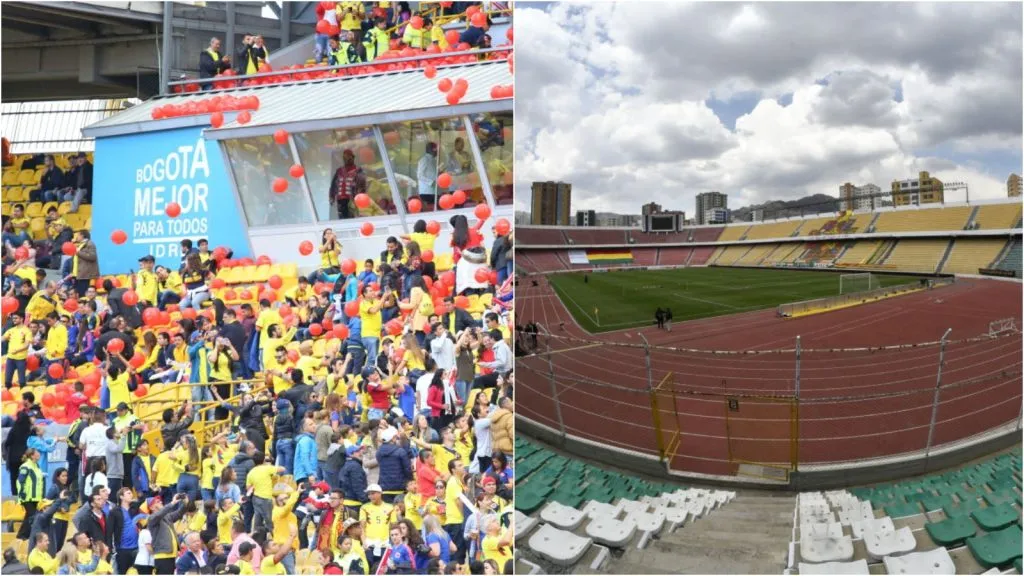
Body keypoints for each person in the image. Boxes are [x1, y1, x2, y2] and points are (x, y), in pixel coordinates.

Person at [329, 148, 367, 220]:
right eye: (345, 157)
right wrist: (332, 197)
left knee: (352, 217)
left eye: (349, 157)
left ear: (353, 158)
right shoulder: (339, 171)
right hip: (340, 200)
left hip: (352, 200)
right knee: (342, 217)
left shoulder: (358, 170)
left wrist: (360, 199)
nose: (347, 159)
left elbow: (362, 186)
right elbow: (333, 185)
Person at [416, 142, 439, 207]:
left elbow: (431, 173)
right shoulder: (424, 160)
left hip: (433, 191)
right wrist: (431, 182)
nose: (437, 151)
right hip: (426, 192)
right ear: (432, 150)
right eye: (436, 149)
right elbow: (419, 175)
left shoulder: (433, 160)